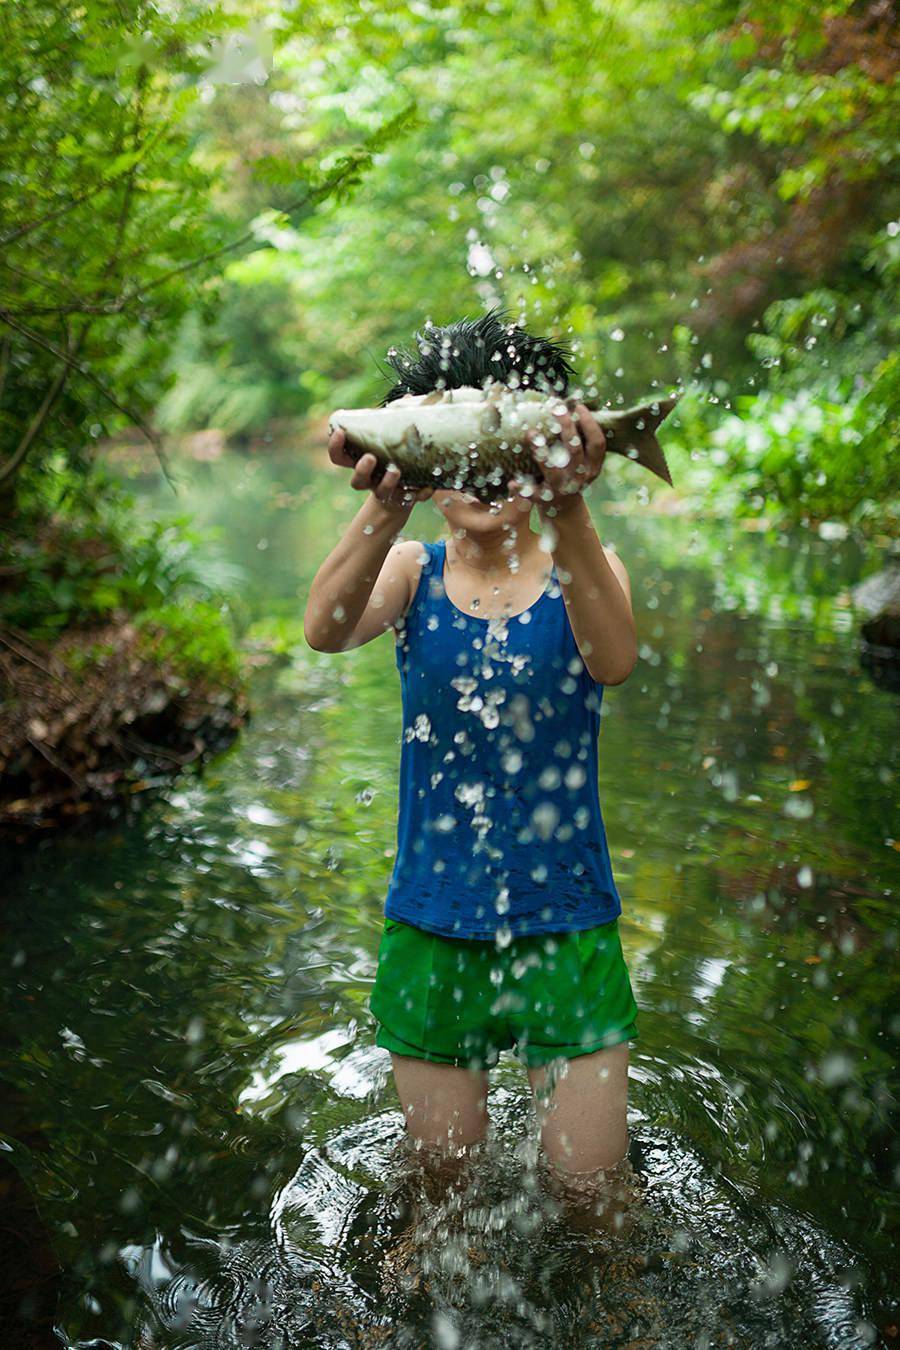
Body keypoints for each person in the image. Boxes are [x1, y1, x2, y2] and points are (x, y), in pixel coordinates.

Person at [303, 310, 641, 1223]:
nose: (484, 477)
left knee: (591, 1198)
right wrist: (384, 502)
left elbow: (613, 659)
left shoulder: (587, 563)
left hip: (568, 925)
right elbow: (325, 630)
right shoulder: (411, 568)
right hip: (432, 925)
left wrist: (571, 503)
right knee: (442, 1204)